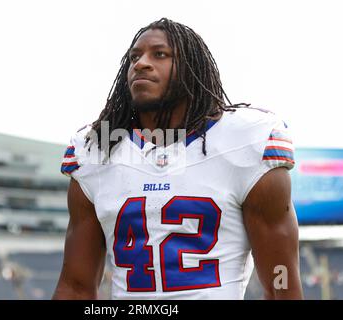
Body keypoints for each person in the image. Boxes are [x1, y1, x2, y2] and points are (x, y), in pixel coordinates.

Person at [53, 18, 303, 300]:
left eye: (159, 54)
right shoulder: (97, 150)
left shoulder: (246, 140)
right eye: (134, 57)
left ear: (191, 68)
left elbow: (281, 283)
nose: (141, 64)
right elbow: (75, 286)